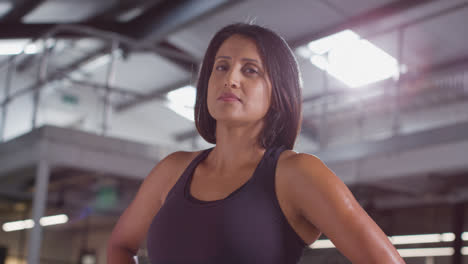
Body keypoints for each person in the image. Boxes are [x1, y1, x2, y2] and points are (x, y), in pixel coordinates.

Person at [107, 23, 405, 264]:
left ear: (278, 92)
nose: (230, 79)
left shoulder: (297, 173)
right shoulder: (171, 170)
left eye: (250, 70)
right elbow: (120, 246)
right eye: (221, 67)